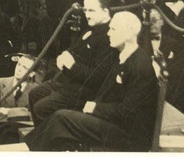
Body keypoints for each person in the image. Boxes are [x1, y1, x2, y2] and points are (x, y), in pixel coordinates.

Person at [27, 10, 159, 150]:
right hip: (114, 123)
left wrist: (95, 108)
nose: (108, 33)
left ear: (128, 33)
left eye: (113, 29)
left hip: (127, 135)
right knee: (60, 117)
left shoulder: (139, 65)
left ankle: (30, 149)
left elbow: (128, 112)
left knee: (61, 117)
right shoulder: (124, 56)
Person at [28, 0, 117, 124]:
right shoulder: (91, 30)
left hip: (83, 91)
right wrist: (64, 57)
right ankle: (43, 136)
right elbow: (73, 51)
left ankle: (53, 140)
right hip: (66, 82)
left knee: (41, 108)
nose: (87, 15)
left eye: (91, 11)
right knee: (34, 94)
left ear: (105, 11)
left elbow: (98, 77)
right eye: (86, 10)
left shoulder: (109, 37)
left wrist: (71, 65)